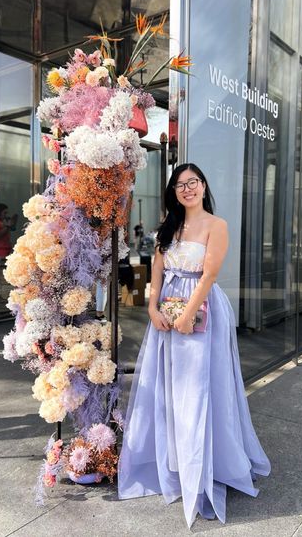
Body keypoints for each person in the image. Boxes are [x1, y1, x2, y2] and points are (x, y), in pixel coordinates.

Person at [118, 163, 271, 527]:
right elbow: (156, 274)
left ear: (203, 186)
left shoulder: (216, 226)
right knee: (168, 388)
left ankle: (204, 465)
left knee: (201, 387)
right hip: (166, 314)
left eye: (193, 182)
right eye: (180, 184)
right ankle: (174, 460)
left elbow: (210, 274)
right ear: (173, 191)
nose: (187, 189)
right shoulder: (167, 228)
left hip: (200, 311)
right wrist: (152, 307)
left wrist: (188, 315)